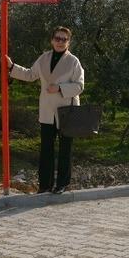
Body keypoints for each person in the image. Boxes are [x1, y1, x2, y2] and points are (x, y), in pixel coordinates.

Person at [6, 26, 84, 194]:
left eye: (64, 39)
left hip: (67, 112)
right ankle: (44, 186)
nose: (60, 42)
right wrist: (12, 67)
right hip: (48, 112)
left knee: (65, 150)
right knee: (46, 150)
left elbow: (79, 86)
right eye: (57, 38)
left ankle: (62, 184)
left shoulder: (73, 61)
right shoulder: (43, 58)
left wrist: (60, 88)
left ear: (69, 42)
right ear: (52, 40)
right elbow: (29, 75)